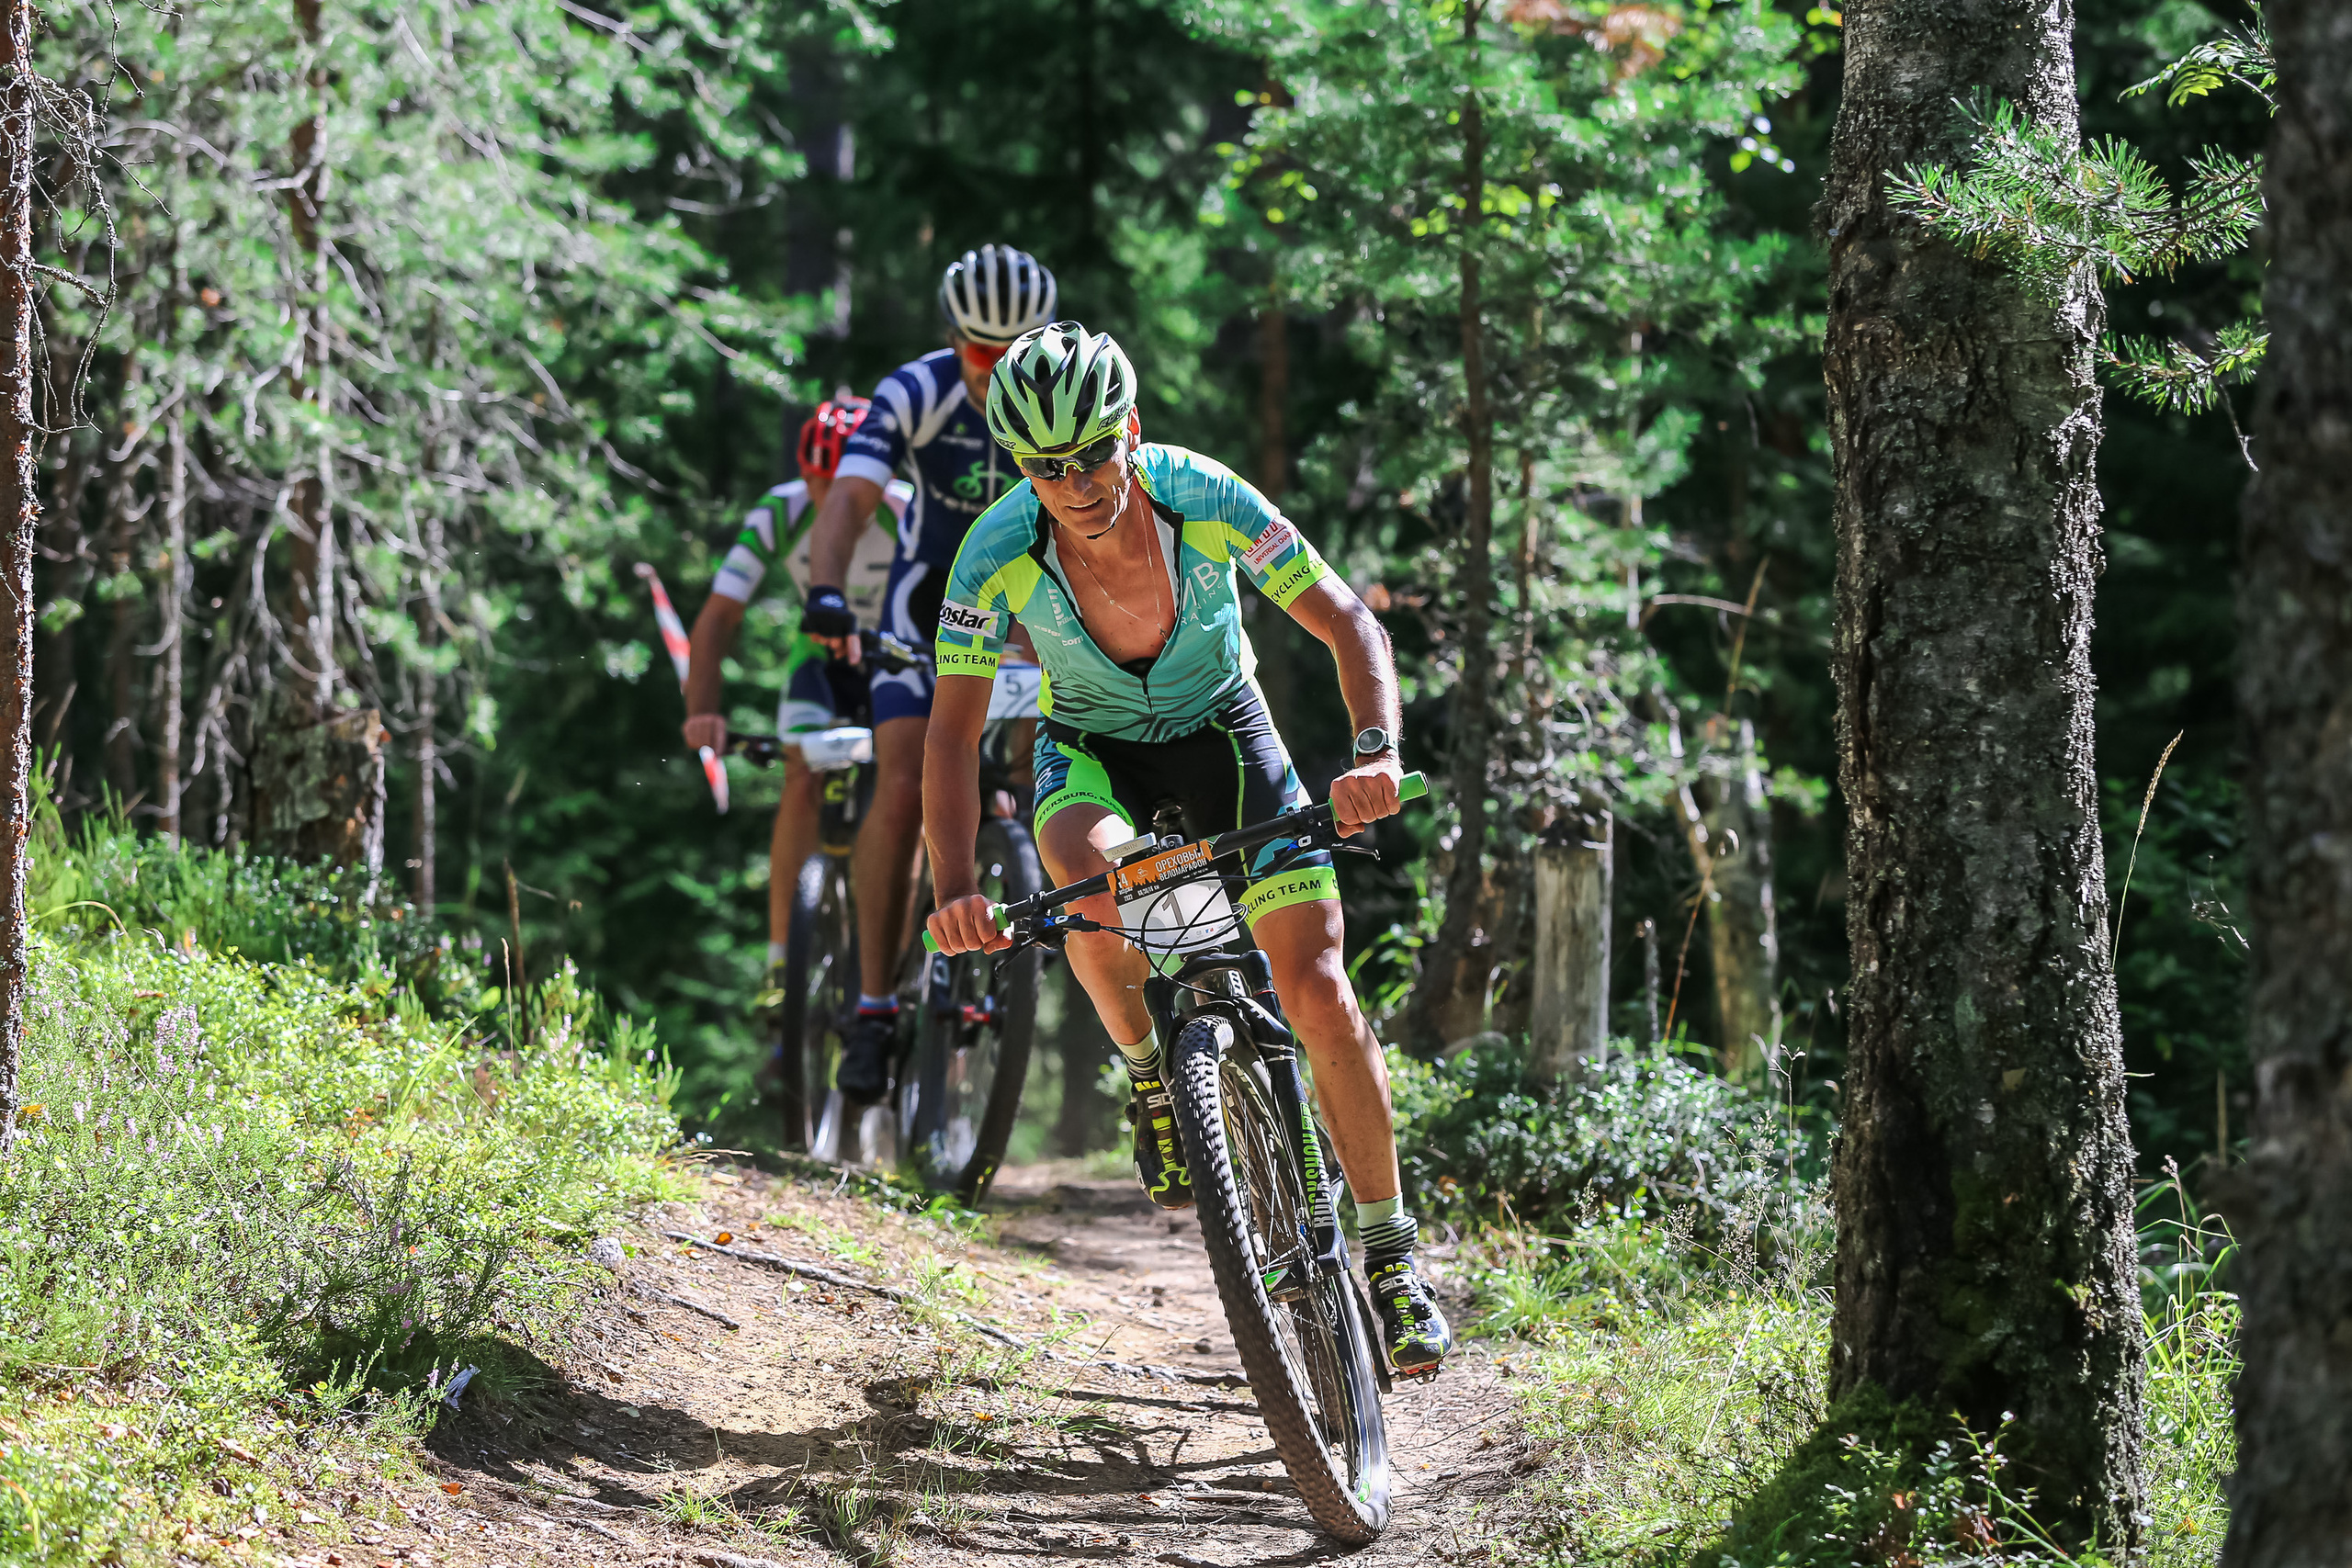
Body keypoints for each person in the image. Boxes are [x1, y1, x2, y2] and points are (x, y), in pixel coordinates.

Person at [920, 321, 1452, 1378]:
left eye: (1090, 454)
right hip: (1091, 754)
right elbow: (949, 732)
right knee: (1096, 873)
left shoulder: (1202, 495)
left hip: (1225, 732)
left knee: (1317, 990)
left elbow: (1349, 621)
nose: (1073, 484)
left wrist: (1375, 754)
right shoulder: (993, 552)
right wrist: (952, 889)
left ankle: (1391, 1262)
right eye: (1043, 466)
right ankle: (1151, 1075)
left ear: (1132, 429)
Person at [801, 244, 1059, 1101]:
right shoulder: (915, 389)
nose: (994, 369)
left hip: (1028, 607)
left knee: (1040, 767)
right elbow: (852, 496)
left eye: (1012, 347)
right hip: (925, 608)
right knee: (904, 777)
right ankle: (873, 1005)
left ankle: (1026, 880)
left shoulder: (1062, 386)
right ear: (954, 337)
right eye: (979, 351)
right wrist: (828, 590)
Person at [682, 398, 910, 976]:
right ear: (804, 476)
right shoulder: (780, 512)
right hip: (821, 660)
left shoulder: (907, 512)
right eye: (819, 484)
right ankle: (782, 962)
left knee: (911, 793)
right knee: (800, 775)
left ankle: (900, 969)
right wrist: (702, 711)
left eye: (849, 486)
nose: (836, 501)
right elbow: (718, 616)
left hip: (898, 656)